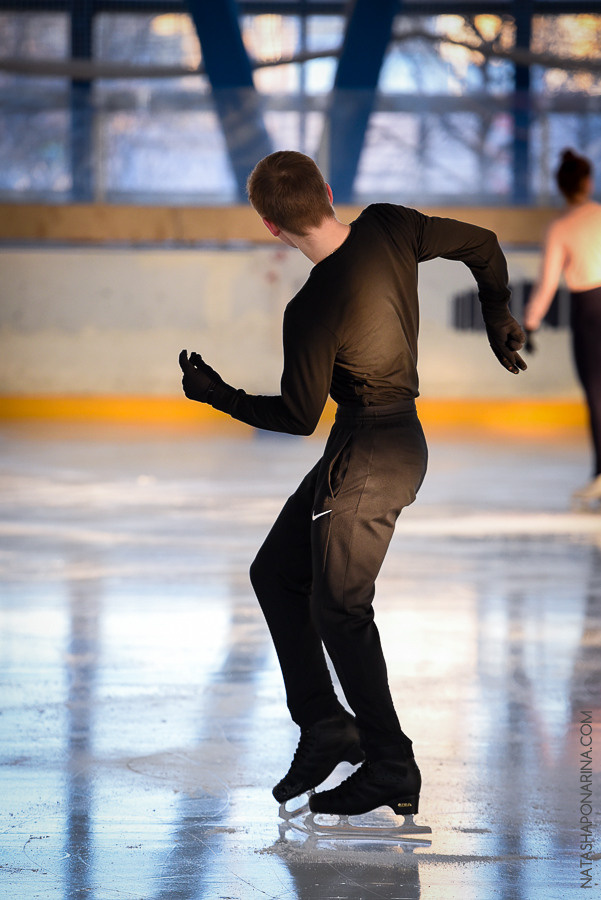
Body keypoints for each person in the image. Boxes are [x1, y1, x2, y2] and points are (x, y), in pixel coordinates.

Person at [179, 150, 526, 819]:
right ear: (329, 193)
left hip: (370, 459)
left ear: (270, 228)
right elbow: (480, 246)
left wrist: (215, 394)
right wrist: (495, 314)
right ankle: (323, 725)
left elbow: (295, 415)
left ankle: (390, 763)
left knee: (340, 609)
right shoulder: (390, 226)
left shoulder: (310, 307)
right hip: (376, 445)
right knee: (276, 573)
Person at [524, 148, 601, 509]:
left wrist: (531, 322)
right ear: (587, 181)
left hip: (587, 312)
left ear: (561, 186)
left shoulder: (560, 227)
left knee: (597, 394)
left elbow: (548, 282)